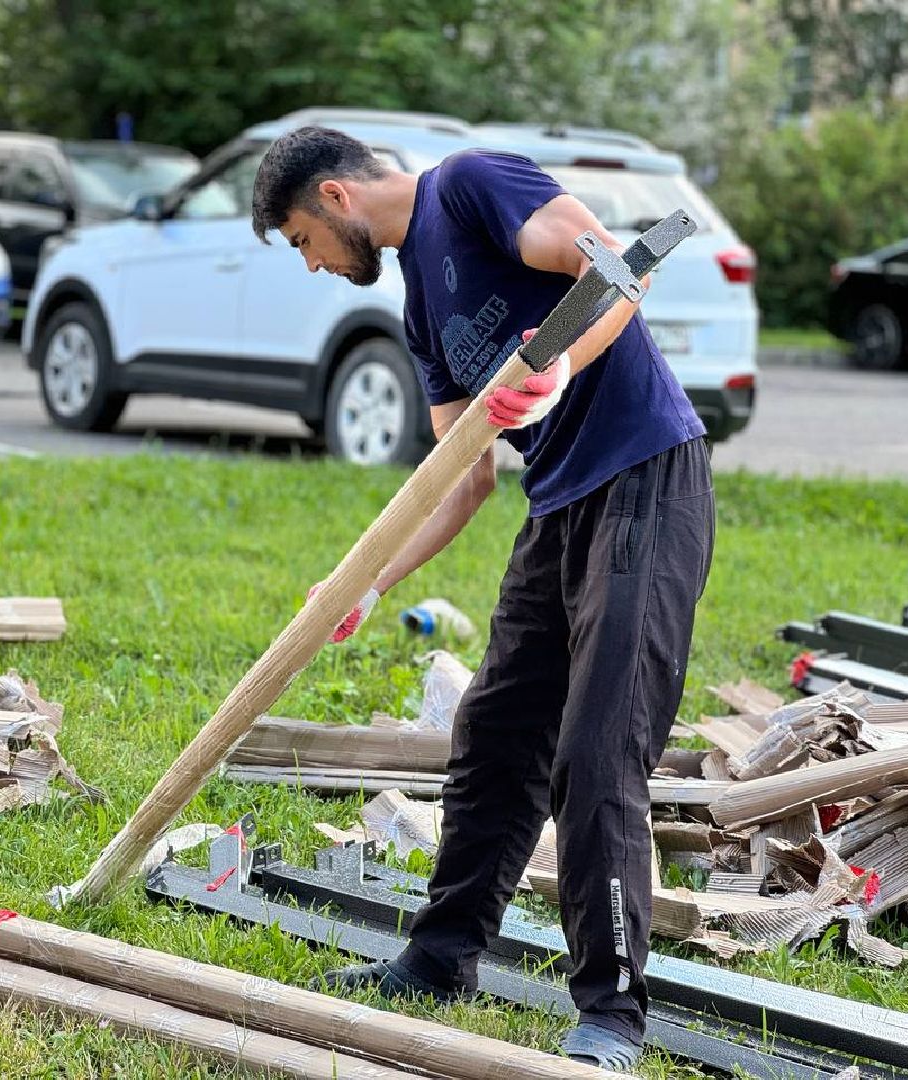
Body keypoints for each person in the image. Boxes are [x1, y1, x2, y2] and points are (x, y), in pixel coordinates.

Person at [250, 127, 715, 1072]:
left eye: (302, 240)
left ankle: (612, 1015)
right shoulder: (423, 311)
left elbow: (619, 272)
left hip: (645, 478)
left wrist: (561, 367)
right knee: (498, 733)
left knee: (596, 749)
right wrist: (366, 583)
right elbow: (459, 480)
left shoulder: (469, 187)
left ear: (337, 196)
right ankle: (439, 957)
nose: (312, 264)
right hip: (559, 507)